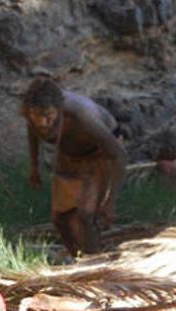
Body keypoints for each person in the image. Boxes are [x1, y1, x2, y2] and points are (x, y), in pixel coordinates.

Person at [21, 77, 128, 255]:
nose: (42, 123)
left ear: (60, 110)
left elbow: (119, 156)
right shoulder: (31, 112)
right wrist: (34, 167)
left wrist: (110, 202)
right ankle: (76, 260)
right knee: (60, 218)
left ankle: (95, 265)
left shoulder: (82, 115)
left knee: (86, 216)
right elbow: (32, 131)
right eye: (37, 116)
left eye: (48, 115)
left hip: (99, 154)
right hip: (69, 154)